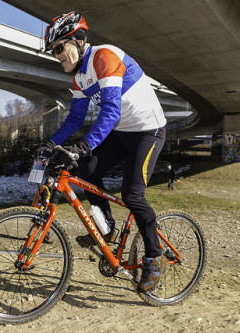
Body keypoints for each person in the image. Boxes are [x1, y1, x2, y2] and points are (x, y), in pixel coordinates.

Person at [37, 11, 167, 292]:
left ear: (79, 40)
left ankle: (155, 257)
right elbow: (74, 120)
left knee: (133, 194)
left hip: (147, 132)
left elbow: (111, 109)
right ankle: (105, 227)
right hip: (122, 132)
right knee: (88, 170)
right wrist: (50, 143)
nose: (57, 54)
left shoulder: (104, 56)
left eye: (60, 47)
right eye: (53, 50)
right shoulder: (79, 77)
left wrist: (84, 145)